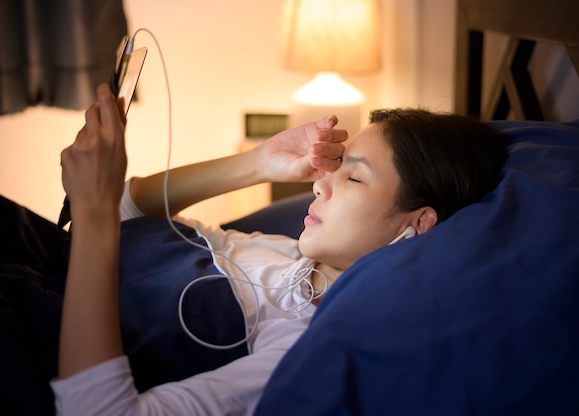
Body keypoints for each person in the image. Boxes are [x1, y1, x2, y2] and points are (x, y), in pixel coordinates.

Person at [51, 83, 506, 414]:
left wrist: (92, 213)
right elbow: (128, 214)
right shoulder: (285, 255)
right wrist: (256, 165)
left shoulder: (304, 340)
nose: (320, 183)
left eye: (352, 176)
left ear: (418, 224)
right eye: (335, 165)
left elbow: (99, 412)